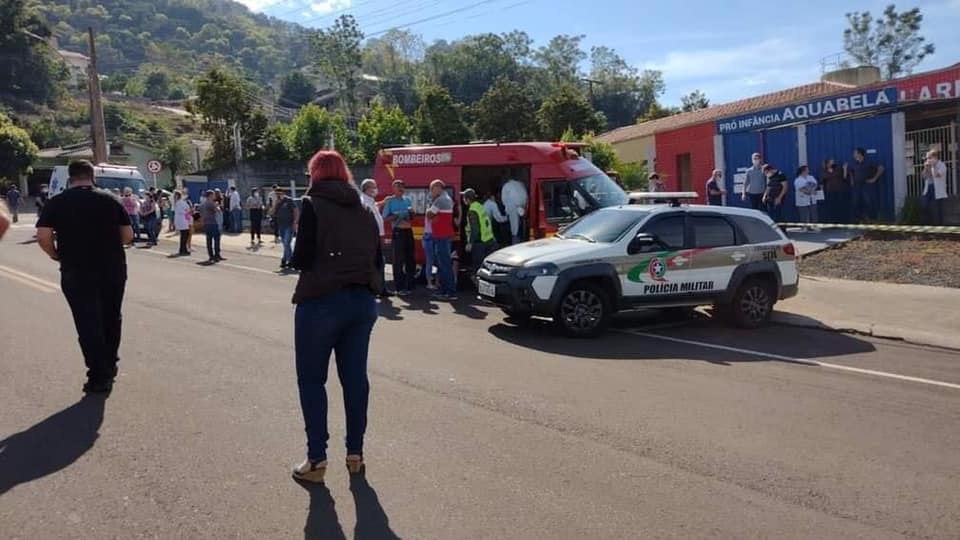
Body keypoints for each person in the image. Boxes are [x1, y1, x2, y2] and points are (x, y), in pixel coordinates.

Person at [288, 150, 381, 483]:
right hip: (362, 303)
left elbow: (300, 259)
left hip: (321, 301)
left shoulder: (313, 205)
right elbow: (377, 259)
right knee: (355, 380)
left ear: (315, 174)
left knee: (313, 380)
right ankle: (355, 453)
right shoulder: (365, 209)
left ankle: (317, 460)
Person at [36, 160, 133, 394]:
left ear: (70, 178)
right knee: (111, 317)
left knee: (87, 321)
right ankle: (110, 364)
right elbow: (128, 236)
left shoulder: (57, 202)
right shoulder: (111, 200)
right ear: (93, 176)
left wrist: (56, 255)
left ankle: (98, 375)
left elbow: (43, 236)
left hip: (76, 270)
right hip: (112, 268)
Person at [381, 180, 415, 295]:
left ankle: (410, 286)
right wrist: (396, 215)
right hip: (398, 232)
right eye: (398, 186)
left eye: (402, 186)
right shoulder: (390, 201)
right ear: (393, 188)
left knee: (411, 259)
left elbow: (412, 218)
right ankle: (400, 288)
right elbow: (385, 218)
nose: (401, 188)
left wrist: (411, 213)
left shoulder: (408, 200)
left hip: (408, 231)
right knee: (398, 260)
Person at [427, 179, 457, 301]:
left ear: (438, 187)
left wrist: (431, 215)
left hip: (442, 236)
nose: (430, 192)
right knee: (444, 264)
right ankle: (446, 290)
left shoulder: (440, 200)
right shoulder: (446, 198)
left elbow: (429, 214)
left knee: (444, 265)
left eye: (431, 189)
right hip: (443, 235)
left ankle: (449, 292)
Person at [359, 179, 390, 297]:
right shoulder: (363, 202)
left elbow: (375, 206)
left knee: (380, 262)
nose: (375, 189)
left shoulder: (370, 201)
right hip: (370, 238)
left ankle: (381, 288)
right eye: (373, 187)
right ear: (366, 189)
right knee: (374, 263)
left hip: (377, 237)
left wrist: (383, 202)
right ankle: (374, 288)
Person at [462, 188, 495, 282]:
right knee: (486, 266)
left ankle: (479, 286)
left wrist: (470, 243)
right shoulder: (480, 206)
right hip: (489, 239)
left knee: (477, 267)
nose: (463, 200)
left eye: (464, 198)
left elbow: (475, 229)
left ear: (468, 199)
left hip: (479, 242)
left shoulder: (472, 211)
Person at [848, 147, 884, 221]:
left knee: (868, 201)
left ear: (860, 154)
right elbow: (851, 171)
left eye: (855, 153)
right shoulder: (854, 163)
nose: (853, 154)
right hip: (857, 185)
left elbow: (881, 168)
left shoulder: (869, 162)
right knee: (856, 201)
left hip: (866, 184)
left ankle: (872, 218)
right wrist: (852, 180)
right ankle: (859, 219)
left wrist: (874, 179)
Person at [922, 149, 948, 225]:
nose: (928, 160)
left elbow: (936, 175)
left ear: (935, 157)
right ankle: (929, 224)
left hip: (938, 189)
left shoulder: (941, 165)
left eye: (929, 158)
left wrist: (933, 166)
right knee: (925, 205)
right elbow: (923, 176)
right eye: (927, 158)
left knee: (938, 209)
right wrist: (926, 168)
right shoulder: (928, 165)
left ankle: (941, 226)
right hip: (928, 188)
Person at [274, 188, 298, 269]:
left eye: (279, 193)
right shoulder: (277, 202)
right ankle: (284, 260)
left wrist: (295, 222)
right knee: (285, 244)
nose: (278, 195)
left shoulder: (289, 200)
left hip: (289, 225)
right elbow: (272, 212)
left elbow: (295, 211)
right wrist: (275, 204)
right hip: (281, 225)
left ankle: (291, 260)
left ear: (283, 193)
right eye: (276, 194)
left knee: (286, 243)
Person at [500, 177, 528, 245]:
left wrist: (506, 209)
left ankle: (514, 243)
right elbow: (526, 198)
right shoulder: (521, 184)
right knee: (521, 227)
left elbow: (504, 199)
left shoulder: (506, 186)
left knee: (514, 230)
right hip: (522, 208)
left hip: (512, 207)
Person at [199, 189, 223, 263]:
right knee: (216, 239)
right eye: (213, 195)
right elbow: (218, 210)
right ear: (210, 196)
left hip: (206, 223)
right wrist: (217, 206)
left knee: (209, 240)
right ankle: (217, 255)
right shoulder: (211, 203)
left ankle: (211, 255)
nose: (214, 196)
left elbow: (201, 214)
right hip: (212, 223)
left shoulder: (203, 204)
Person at [820, 159, 848, 223]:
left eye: (833, 162)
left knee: (840, 206)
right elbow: (822, 182)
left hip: (839, 190)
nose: (833, 163)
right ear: (827, 164)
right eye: (831, 162)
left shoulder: (838, 169)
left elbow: (844, 177)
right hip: (831, 191)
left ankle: (841, 221)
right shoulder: (825, 171)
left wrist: (845, 169)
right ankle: (833, 221)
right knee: (831, 207)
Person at [174, 191, 192, 256]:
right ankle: (182, 250)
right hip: (183, 221)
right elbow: (185, 211)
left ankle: (183, 249)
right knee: (184, 236)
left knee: (184, 236)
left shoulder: (178, 203)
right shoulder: (180, 203)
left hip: (182, 221)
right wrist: (187, 213)